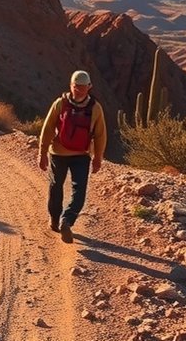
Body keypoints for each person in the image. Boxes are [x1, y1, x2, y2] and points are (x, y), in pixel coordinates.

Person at [37, 70, 107, 243]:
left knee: (56, 186)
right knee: (78, 190)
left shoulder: (61, 103)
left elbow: (47, 129)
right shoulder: (95, 108)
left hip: (61, 153)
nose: (79, 90)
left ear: (89, 87)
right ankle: (66, 220)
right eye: (77, 87)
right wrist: (97, 158)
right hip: (80, 155)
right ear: (72, 85)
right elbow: (100, 135)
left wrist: (43, 152)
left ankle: (57, 221)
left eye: (81, 87)